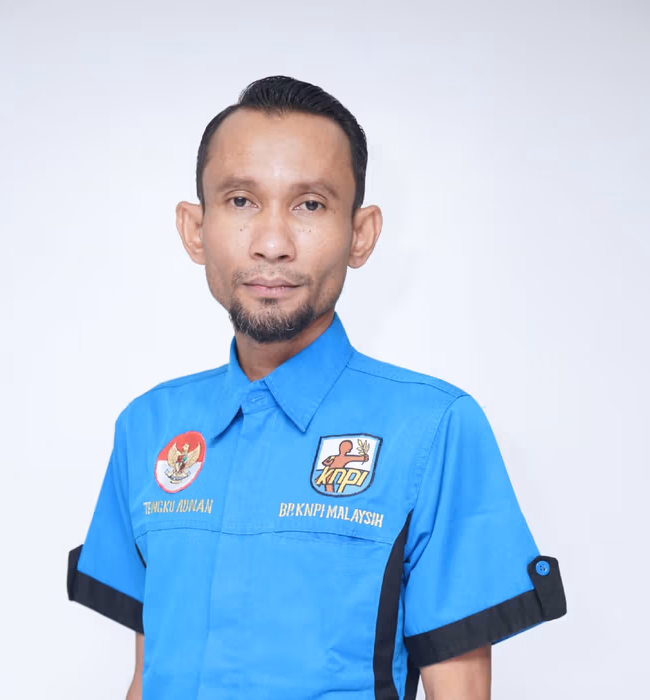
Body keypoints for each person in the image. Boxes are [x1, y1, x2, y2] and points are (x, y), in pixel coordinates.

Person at [67, 75, 566, 700]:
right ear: (195, 228)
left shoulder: (434, 429)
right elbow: (149, 674)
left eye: (310, 205)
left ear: (362, 234)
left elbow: (458, 688)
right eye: (241, 201)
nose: (272, 244)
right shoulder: (149, 427)